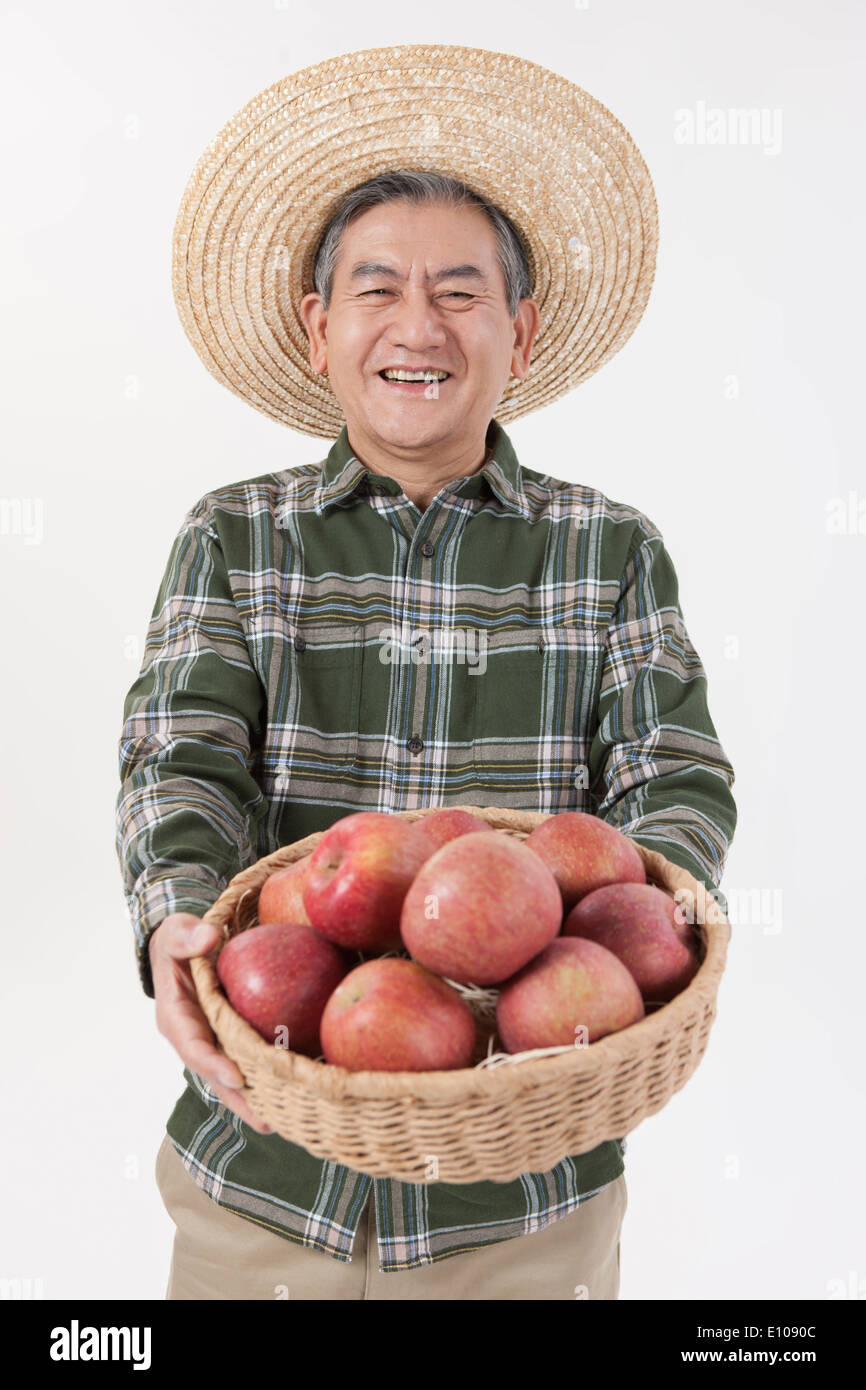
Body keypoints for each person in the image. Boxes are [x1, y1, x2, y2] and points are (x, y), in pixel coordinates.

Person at [115, 45, 737, 1301]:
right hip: (262, 1168)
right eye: (376, 288)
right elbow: (181, 759)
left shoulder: (605, 550)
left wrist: (642, 925)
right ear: (318, 326)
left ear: (519, 328)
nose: (416, 326)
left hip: (524, 1202)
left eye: (459, 293)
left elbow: (673, 775)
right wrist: (175, 916)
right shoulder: (235, 535)